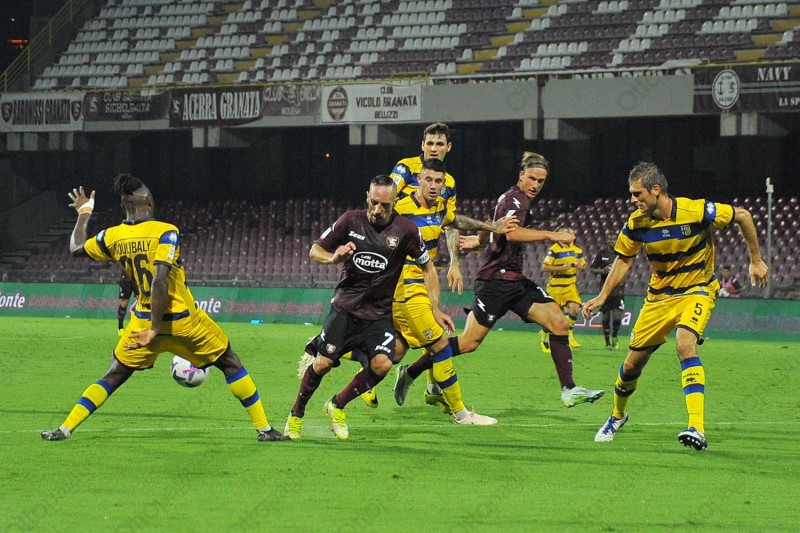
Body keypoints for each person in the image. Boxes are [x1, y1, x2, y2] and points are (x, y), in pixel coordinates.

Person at [41, 174, 285, 442]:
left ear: (124, 206)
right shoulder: (165, 232)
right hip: (182, 322)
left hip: (142, 321)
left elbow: (76, 247)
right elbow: (160, 280)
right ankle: (264, 430)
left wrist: (84, 213)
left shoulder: (112, 236)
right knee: (230, 362)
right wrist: (156, 330)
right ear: (147, 201)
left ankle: (64, 429)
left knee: (114, 374)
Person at [396, 151, 604, 409]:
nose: (535, 185)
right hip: (495, 281)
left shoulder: (510, 197)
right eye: (531, 179)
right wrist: (552, 235)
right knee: (468, 343)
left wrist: (479, 238)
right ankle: (411, 372)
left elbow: (494, 221)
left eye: (540, 181)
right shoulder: (518, 199)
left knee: (559, 323)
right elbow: (512, 233)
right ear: (521, 175)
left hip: (514, 280)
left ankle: (569, 389)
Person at [584, 162, 768, 451]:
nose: (632, 200)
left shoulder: (695, 211)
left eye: (637, 193)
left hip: (698, 289)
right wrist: (602, 296)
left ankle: (696, 427)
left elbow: (742, 216)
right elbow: (623, 260)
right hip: (659, 297)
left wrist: (756, 260)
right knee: (632, 365)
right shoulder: (637, 223)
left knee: (685, 343)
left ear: (656, 190)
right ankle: (618, 416)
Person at [285, 175, 455, 440]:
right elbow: (315, 250)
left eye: (384, 205)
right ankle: (296, 415)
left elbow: (428, 267)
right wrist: (334, 258)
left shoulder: (407, 230)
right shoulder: (350, 220)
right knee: (323, 364)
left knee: (383, 364)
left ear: (395, 201)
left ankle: (337, 405)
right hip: (346, 308)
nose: (377, 209)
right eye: (373, 202)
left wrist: (435, 308)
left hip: (379, 314)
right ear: (367, 197)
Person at [356, 122, 461, 408]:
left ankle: (418, 383)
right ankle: (446, 398)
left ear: (448, 147)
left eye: (440, 144)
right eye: (430, 143)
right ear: (422, 145)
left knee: (403, 342)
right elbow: (385, 200)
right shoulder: (405, 168)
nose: (434, 149)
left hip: (426, 265)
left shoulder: (448, 182)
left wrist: (454, 262)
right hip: (401, 267)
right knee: (432, 334)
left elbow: (450, 221)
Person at [540, 225, 586, 351]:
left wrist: (580, 266)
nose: (569, 235)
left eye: (570, 233)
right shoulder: (554, 250)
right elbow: (544, 267)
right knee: (553, 318)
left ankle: (569, 335)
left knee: (575, 308)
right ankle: (544, 336)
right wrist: (562, 268)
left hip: (570, 286)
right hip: (555, 287)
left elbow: (582, 263)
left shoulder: (577, 250)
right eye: (566, 233)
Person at [589, 233, 626, 349]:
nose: (612, 240)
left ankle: (614, 335)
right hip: (605, 290)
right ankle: (607, 343)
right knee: (605, 317)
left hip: (618, 290)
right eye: (610, 238)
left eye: (614, 238)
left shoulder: (622, 253)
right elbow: (592, 269)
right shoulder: (602, 253)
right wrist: (603, 271)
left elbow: (627, 267)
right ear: (606, 240)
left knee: (617, 317)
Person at [117, 271, 138, 335]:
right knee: (124, 302)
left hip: (137, 278)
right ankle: (120, 327)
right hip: (126, 278)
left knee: (141, 299)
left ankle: (138, 326)